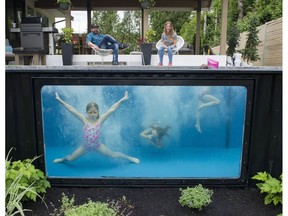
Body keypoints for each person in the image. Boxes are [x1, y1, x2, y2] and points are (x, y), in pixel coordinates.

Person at [53, 91, 140, 164]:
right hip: (85, 146)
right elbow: (71, 109)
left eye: (94, 112)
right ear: (86, 112)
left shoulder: (100, 120)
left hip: (98, 145)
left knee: (113, 154)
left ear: (98, 111)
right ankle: (62, 160)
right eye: (90, 112)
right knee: (71, 158)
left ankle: (130, 158)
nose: (92, 114)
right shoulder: (84, 119)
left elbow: (111, 109)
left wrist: (122, 99)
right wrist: (60, 100)